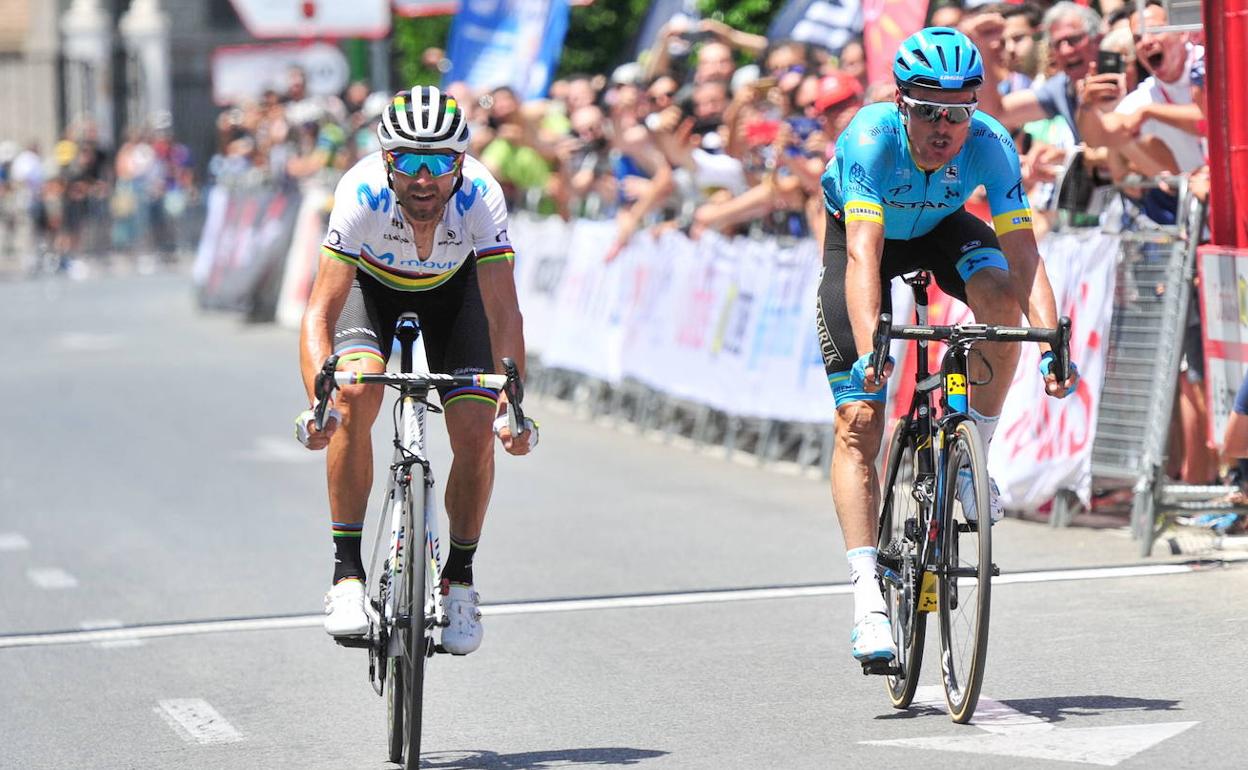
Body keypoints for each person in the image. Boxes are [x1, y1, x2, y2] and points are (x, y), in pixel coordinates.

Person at [816, 27, 1079, 666]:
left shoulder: (990, 143)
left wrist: (1051, 337)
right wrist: (873, 347)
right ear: (902, 103)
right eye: (929, 109)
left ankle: (970, 455)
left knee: (999, 300)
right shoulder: (872, 138)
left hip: (940, 229)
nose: (944, 125)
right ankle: (867, 601)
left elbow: (1021, 249)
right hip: (863, 240)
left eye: (959, 111)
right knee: (859, 418)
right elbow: (862, 255)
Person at [296, 86, 538, 654]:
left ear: (461, 163)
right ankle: (347, 575)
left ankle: (459, 578)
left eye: (439, 163)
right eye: (408, 161)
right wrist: (320, 403)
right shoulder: (359, 193)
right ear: (386, 161)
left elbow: (504, 310)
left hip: (456, 299)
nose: (424, 178)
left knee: (476, 428)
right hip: (371, 293)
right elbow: (319, 313)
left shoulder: (481, 195)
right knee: (355, 399)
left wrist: (514, 406)